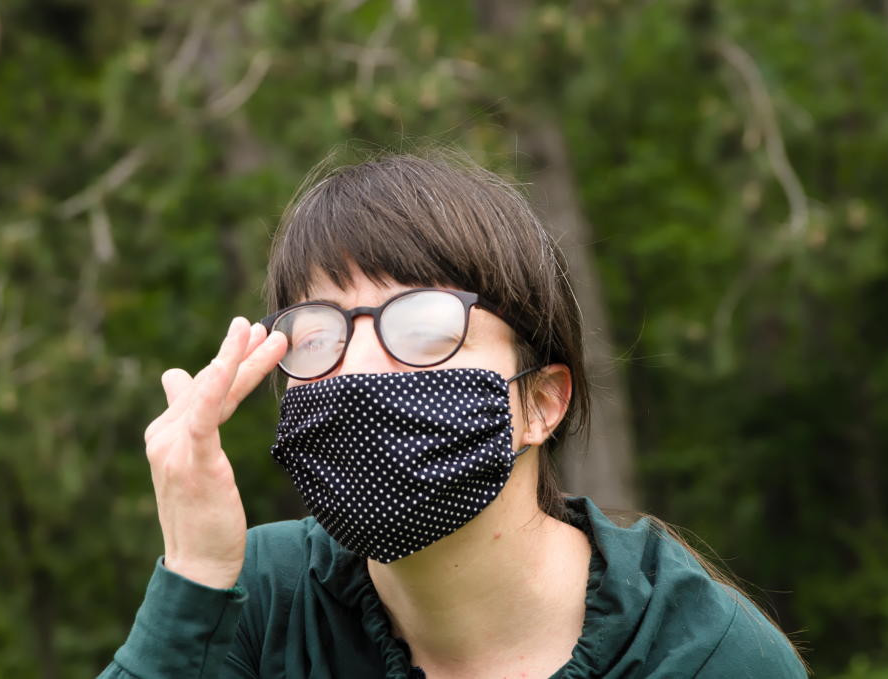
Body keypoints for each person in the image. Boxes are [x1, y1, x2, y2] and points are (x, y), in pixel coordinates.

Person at [98, 151, 807, 678]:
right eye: (318, 334)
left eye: (425, 328)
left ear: (542, 403)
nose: (362, 367)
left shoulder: (705, 655)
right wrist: (192, 574)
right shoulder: (255, 599)